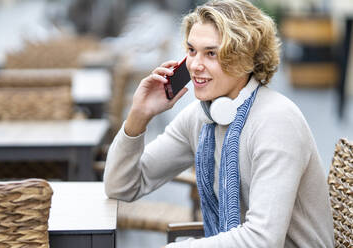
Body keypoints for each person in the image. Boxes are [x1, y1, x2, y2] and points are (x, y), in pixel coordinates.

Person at [104, 0, 334, 247]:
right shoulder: (203, 117)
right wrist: (139, 116)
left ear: (244, 58)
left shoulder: (277, 122)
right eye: (192, 51)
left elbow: (262, 240)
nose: (195, 65)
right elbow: (121, 187)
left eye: (211, 53)